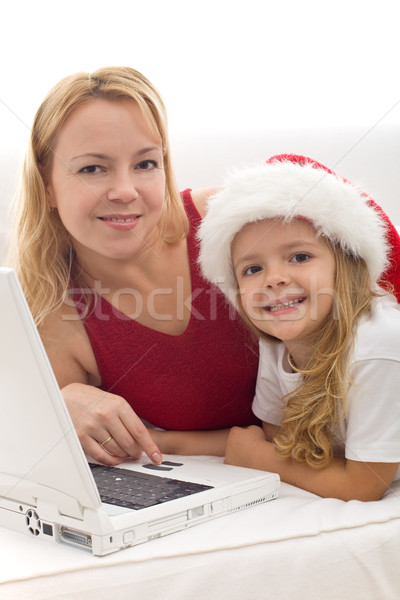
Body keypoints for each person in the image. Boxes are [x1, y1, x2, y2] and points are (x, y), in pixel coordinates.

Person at [7, 66, 260, 467]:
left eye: (145, 164)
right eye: (92, 169)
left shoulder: (230, 222)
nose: (125, 191)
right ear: (47, 185)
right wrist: (60, 405)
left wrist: (167, 440)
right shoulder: (54, 318)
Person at [196, 154, 400, 501]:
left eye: (300, 257)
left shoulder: (379, 343)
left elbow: (364, 484)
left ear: (346, 267)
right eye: (252, 269)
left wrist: (256, 457)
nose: (274, 279)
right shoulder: (281, 341)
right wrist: (164, 442)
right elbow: (282, 442)